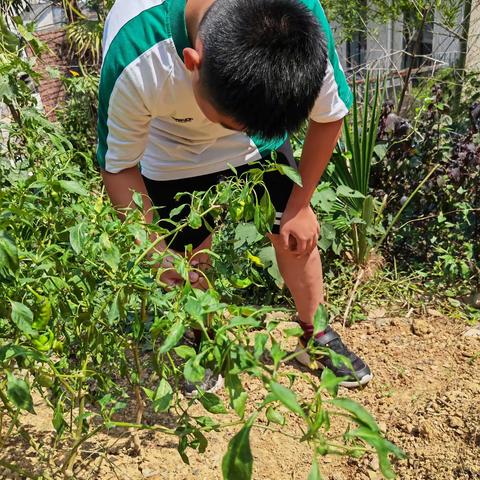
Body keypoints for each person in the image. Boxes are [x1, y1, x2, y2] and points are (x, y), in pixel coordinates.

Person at [97, 0, 372, 392]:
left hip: (263, 137)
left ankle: (317, 334)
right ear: (191, 62)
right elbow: (118, 165)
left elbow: (330, 115)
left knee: (296, 237)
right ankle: (198, 337)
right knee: (186, 261)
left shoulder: (297, 21)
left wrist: (299, 202)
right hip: (174, 151)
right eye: (228, 123)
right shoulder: (136, 47)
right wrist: (153, 247)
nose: (232, 131)